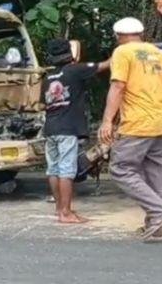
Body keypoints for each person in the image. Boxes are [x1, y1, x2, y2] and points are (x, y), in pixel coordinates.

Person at [99, 17, 162, 240]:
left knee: (121, 169)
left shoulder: (122, 53)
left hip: (139, 124)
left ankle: (159, 211)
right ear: (141, 33)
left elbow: (118, 86)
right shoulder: (159, 53)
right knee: (154, 172)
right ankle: (156, 226)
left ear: (119, 36)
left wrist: (108, 120)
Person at [43, 39, 109, 223]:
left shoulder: (47, 77)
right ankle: (66, 213)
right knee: (66, 171)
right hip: (67, 129)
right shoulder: (75, 70)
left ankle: (58, 209)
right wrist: (123, 51)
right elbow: (103, 66)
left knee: (53, 169)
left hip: (50, 129)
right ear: (69, 54)